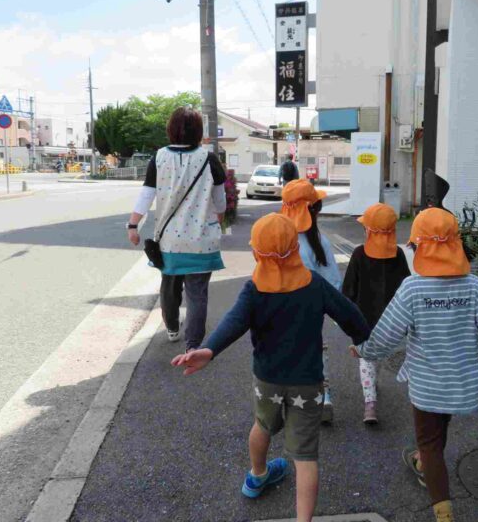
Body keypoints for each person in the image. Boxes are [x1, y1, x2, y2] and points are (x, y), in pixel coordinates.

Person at [350, 208, 478, 522]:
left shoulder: (413, 290)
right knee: (437, 433)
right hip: (461, 386)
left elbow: (385, 336)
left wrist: (363, 350)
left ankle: (443, 512)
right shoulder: (474, 287)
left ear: (419, 247)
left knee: (429, 443)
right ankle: (420, 461)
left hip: (427, 386)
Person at [171, 213, 369, 522]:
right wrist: (363, 340)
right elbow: (350, 316)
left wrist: (210, 349)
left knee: (263, 425)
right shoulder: (313, 284)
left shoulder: (254, 288)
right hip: (308, 382)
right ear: (294, 247)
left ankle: (257, 475)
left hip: (268, 381)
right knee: (305, 456)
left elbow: (234, 321)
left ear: (256, 252)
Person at [127, 107, 227, 352]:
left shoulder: (159, 157)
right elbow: (221, 202)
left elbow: (146, 195)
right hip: (202, 240)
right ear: (198, 132)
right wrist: (219, 223)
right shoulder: (209, 158)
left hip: (170, 240)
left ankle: (172, 328)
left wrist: (133, 225)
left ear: (171, 129)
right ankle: (193, 346)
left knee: (169, 286)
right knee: (198, 294)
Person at [341, 203, 410, 425]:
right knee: (374, 356)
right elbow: (406, 287)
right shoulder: (397, 254)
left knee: (367, 358)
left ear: (369, 231)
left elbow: (348, 290)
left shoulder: (360, 254)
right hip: (391, 322)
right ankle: (371, 388)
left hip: (363, 320)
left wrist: (345, 317)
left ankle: (370, 404)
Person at [281, 179, 341, 423]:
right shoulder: (320, 243)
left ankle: (284, 398)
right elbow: (333, 282)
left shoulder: (278, 238)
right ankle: (324, 396)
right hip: (311, 309)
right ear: (314, 210)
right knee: (316, 349)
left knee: (284, 350)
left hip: (279, 309)